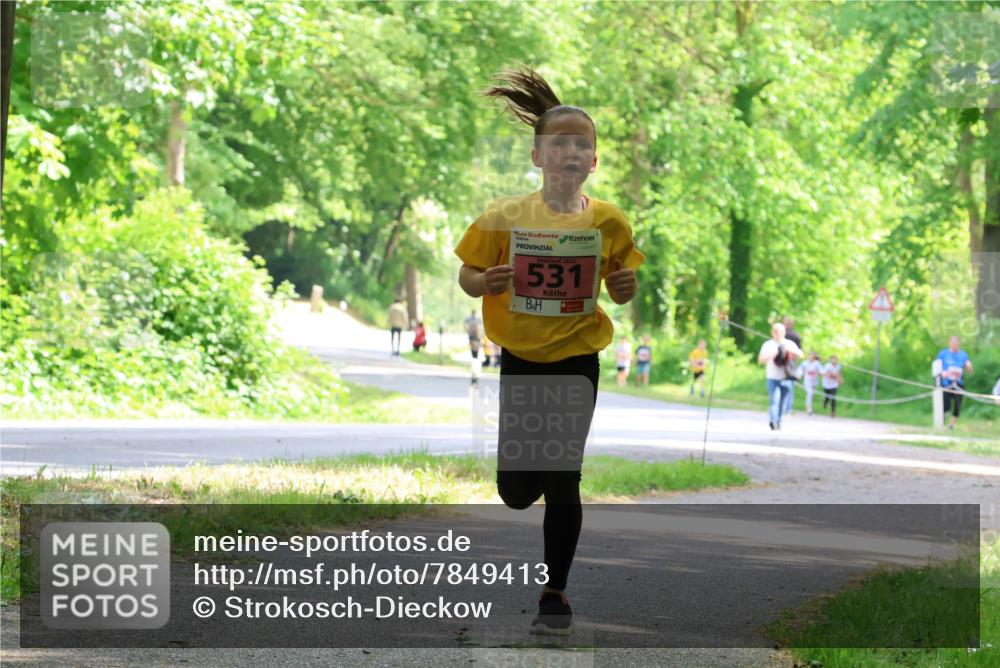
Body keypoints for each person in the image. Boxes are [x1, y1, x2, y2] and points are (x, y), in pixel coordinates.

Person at [455, 64, 643, 636]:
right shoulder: (506, 215)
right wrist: (484, 283)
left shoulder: (609, 220)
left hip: (577, 359)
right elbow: (467, 271)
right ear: (538, 157)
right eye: (558, 144)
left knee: (564, 477)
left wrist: (623, 287)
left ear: (593, 160)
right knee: (515, 492)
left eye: (581, 145)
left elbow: (621, 280)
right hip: (521, 359)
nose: (570, 153)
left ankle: (554, 591)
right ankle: (527, 475)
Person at [757, 322, 802, 430]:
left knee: (782, 402)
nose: (777, 333)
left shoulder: (789, 343)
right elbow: (760, 360)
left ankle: (779, 420)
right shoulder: (768, 344)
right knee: (774, 400)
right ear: (772, 332)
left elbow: (800, 354)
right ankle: (773, 421)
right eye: (775, 331)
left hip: (786, 377)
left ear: (784, 332)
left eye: (779, 331)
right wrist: (774, 354)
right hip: (772, 377)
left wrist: (788, 350)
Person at [936, 336, 974, 430]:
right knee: (946, 405)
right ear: (949, 343)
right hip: (945, 383)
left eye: (956, 343)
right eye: (953, 342)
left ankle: (951, 426)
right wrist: (942, 373)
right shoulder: (943, 354)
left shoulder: (963, 355)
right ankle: (941, 422)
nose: (955, 344)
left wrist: (969, 366)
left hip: (958, 383)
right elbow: (936, 367)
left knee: (957, 405)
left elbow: (969, 368)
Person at [782, 316, 802, 416]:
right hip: (790, 363)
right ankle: (787, 409)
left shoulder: (782, 335)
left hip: (786, 364)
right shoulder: (796, 335)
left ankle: (785, 408)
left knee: (786, 385)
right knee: (789, 386)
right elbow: (799, 352)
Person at [802, 351, 823, 415]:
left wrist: (823, 373)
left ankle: (808, 406)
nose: (810, 357)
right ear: (808, 356)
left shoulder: (817, 363)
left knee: (811, 395)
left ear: (814, 357)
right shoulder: (804, 363)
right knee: (810, 393)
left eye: (812, 356)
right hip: (807, 381)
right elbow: (800, 370)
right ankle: (809, 408)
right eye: (809, 356)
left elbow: (822, 370)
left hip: (814, 382)